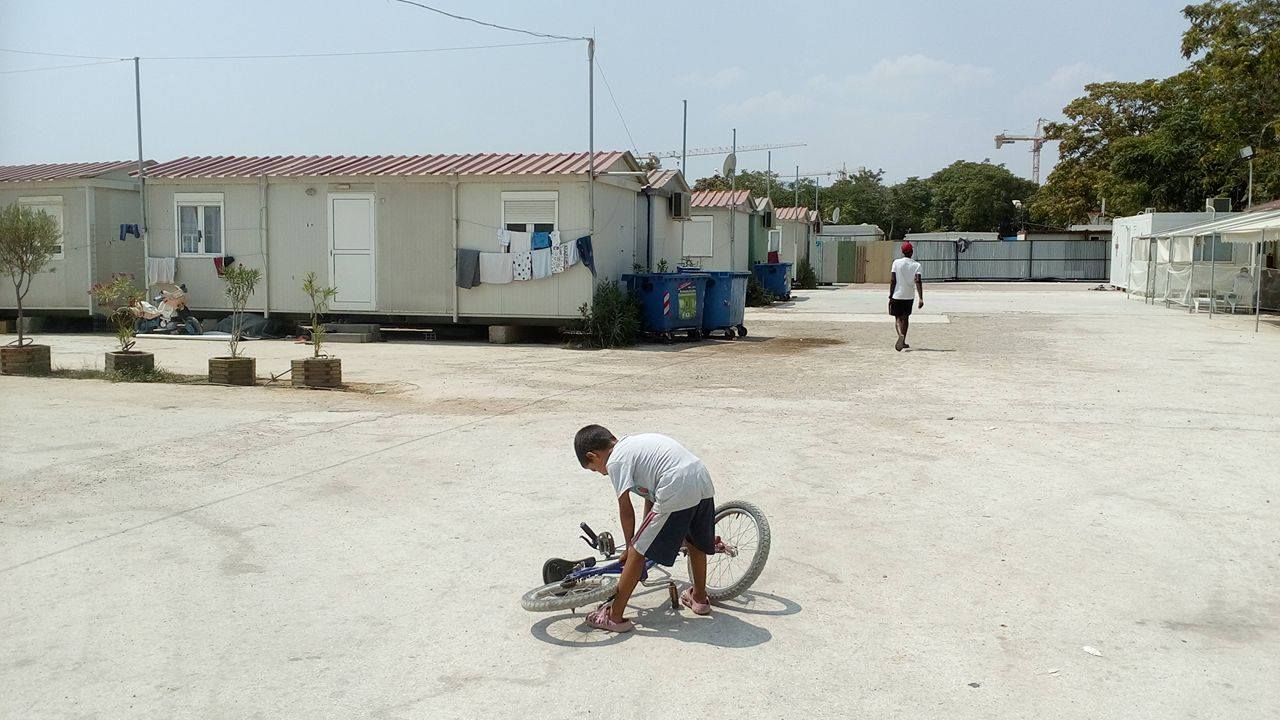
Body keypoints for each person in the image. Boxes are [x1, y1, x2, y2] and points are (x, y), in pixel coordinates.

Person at [573, 425, 717, 633]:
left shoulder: (615, 461)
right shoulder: (635, 444)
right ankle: (700, 599)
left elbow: (625, 508)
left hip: (674, 484)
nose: (601, 474)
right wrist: (643, 535)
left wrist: (632, 545)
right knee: (695, 542)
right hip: (700, 477)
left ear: (593, 455)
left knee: (637, 552)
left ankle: (614, 616)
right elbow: (651, 497)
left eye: (595, 469)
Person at [889, 242, 924, 351]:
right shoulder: (916, 265)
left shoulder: (896, 263)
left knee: (897, 318)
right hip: (909, 296)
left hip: (897, 295)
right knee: (906, 318)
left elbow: (893, 280)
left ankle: (900, 334)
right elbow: (918, 281)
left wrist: (890, 295)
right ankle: (903, 341)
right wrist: (921, 298)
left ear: (902, 252)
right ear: (912, 252)